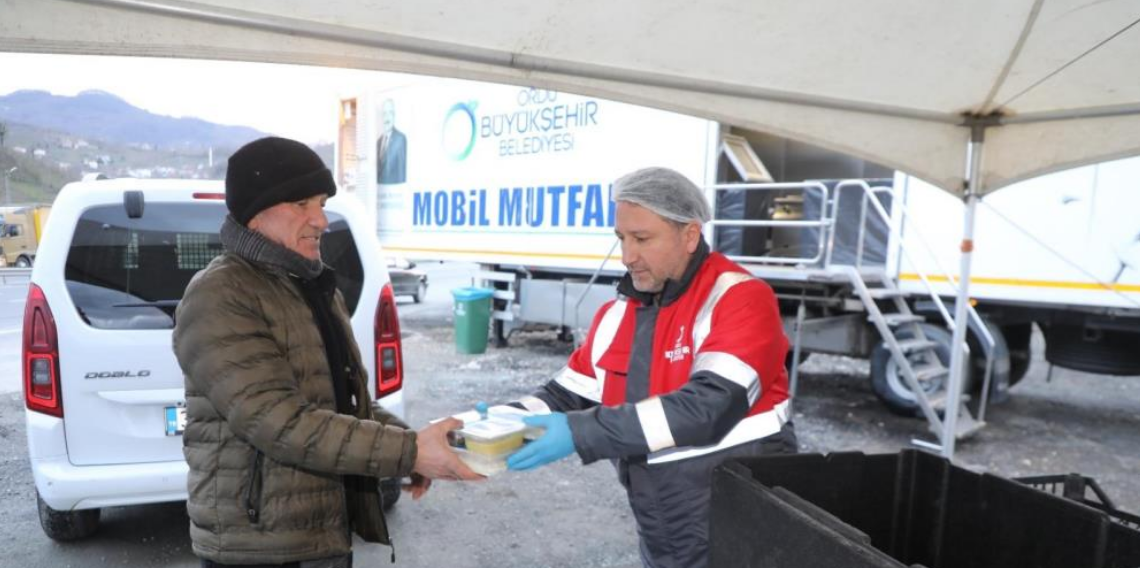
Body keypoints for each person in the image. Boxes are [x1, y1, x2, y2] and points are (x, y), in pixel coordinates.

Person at [173, 136, 479, 568]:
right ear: (255, 214)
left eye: (321, 203)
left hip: (320, 535)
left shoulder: (312, 286)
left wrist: (413, 445)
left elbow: (345, 405)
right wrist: (410, 450)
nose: (321, 220)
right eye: (302, 204)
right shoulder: (221, 294)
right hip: (260, 548)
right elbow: (279, 422)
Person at [502, 167, 797, 568]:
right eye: (621, 238)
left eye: (642, 239)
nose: (627, 256)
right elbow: (563, 395)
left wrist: (579, 431)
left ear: (689, 235)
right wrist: (485, 426)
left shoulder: (741, 298)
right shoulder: (619, 312)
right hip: (664, 523)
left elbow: (708, 407)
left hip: (740, 525)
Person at [376, 98, 407, 184]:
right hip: (380, 194)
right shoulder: (378, 142)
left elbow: (402, 174)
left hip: (395, 194)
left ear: (394, 115)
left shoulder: (400, 139)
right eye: (384, 113)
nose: (387, 117)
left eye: (390, 113)